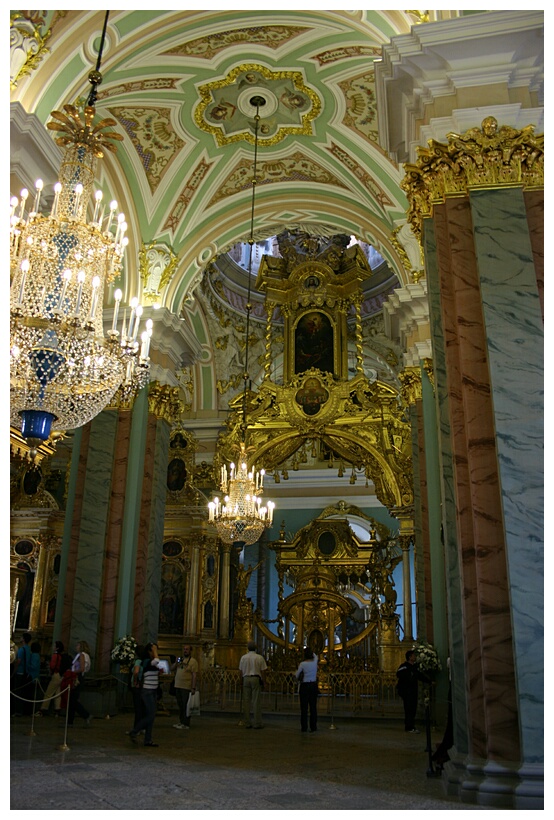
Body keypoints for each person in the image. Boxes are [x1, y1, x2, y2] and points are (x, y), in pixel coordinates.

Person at [128, 642, 163, 747]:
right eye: (153, 650)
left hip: (153, 691)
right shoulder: (147, 661)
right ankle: (135, 731)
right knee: (151, 715)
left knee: (150, 715)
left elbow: (159, 667)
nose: (155, 652)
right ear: (149, 651)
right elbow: (156, 661)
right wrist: (155, 651)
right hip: (147, 691)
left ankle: (148, 739)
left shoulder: (151, 662)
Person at [396, 649, 430, 733]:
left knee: (413, 709)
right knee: (409, 709)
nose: (415, 657)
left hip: (413, 691)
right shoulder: (404, 666)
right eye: (413, 655)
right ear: (410, 657)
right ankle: (409, 727)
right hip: (407, 691)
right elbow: (399, 674)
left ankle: (411, 725)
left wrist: (429, 681)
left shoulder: (414, 667)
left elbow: (420, 676)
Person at [238, 640, 267, 729]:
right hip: (255, 678)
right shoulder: (259, 658)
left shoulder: (243, 657)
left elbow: (240, 671)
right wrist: (264, 682)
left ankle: (247, 722)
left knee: (246, 701)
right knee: (256, 701)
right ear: (256, 648)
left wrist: (240, 681)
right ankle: (257, 722)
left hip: (246, 678)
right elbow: (263, 671)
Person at [171, 644, 198, 730]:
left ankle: (186, 723)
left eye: (187, 649)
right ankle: (181, 721)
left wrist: (193, 687)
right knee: (180, 705)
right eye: (184, 649)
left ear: (190, 651)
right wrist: (176, 663)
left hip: (186, 687)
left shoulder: (193, 661)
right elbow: (172, 668)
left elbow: (194, 675)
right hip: (178, 685)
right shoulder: (180, 660)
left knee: (186, 706)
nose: (185, 651)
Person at [36, 640, 65, 717]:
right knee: (58, 694)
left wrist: (50, 670)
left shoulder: (55, 655)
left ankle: (43, 709)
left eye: (54, 646)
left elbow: (52, 666)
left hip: (55, 675)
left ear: (57, 648)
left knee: (48, 693)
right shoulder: (61, 655)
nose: (53, 647)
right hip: (61, 675)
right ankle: (57, 711)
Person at [67, 640, 92, 727]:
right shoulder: (86, 656)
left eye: (77, 645)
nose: (76, 647)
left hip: (77, 677)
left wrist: (72, 672)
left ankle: (85, 714)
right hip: (79, 677)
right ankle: (70, 720)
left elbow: (81, 668)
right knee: (72, 699)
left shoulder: (81, 655)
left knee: (72, 700)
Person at [296, 647, 319, 732]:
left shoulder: (302, 664)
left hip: (304, 685)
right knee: (313, 707)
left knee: (304, 707)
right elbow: (315, 656)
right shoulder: (315, 662)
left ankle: (304, 727)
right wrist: (311, 652)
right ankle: (313, 726)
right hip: (313, 684)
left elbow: (297, 675)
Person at [11, 631, 33, 715]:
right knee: (22, 693)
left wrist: (13, 672)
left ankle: (17, 710)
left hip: (20, 672)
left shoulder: (21, 649)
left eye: (21, 637)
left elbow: (18, 662)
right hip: (26, 673)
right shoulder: (28, 649)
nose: (20, 638)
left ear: (23, 639)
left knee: (17, 693)